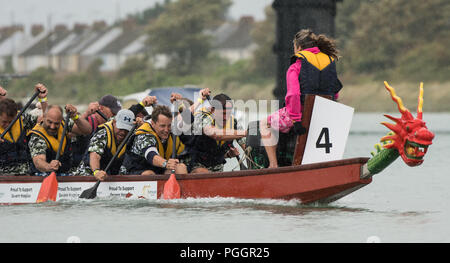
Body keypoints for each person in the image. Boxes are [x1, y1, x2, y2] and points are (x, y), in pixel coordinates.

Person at [259, 28, 342, 168]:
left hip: (302, 114)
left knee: (264, 124)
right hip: (324, 114)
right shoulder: (328, 61)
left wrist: (296, 120)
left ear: (298, 47)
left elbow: (293, 95)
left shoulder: (296, 66)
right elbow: (336, 93)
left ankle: (273, 165)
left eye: (294, 47)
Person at [185, 93, 247, 173]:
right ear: (212, 110)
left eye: (228, 113)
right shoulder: (202, 118)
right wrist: (246, 132)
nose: (225, 118)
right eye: (222, 113)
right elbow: (215, 135)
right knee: (204, 173)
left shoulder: (234, 123)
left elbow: (247, 147)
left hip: (217, 168)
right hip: (194, 166)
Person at [121, 105, 187, 175]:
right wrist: (166, 163)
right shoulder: (144, 135)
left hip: (157, 170)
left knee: (180, 168)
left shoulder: (171, 130)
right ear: (153, 123)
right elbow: (151, 155)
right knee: (149, 174)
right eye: (162, 126)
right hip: (132, 172)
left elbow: (189, 119)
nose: (166, 130)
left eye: (169, 126)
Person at [28, 104, 92, 176]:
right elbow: (38, 161)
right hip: (44, 174)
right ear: (43, 117)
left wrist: (75, 117)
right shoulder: (37, 136)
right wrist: (49, 166)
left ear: (61, 120)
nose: (52, 127)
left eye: (56, 123)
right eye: (50, 122)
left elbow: (87, 130)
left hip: (65, 173)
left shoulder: (64, 123)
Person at [73, 109, 136, 180]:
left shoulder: (132, 134)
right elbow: (95, 155)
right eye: (121, 128)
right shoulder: (102, 133)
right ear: (114, 122)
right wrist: (96, 171)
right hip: (88, 175)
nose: (123, 132)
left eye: (126, 129)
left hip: (110, 177)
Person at [0, 84, 48, 174]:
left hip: (25, 175)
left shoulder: (21, 118)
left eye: (11, 122)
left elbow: (46, 121)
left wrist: (43, 99)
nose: (8, 125)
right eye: (4, 122)